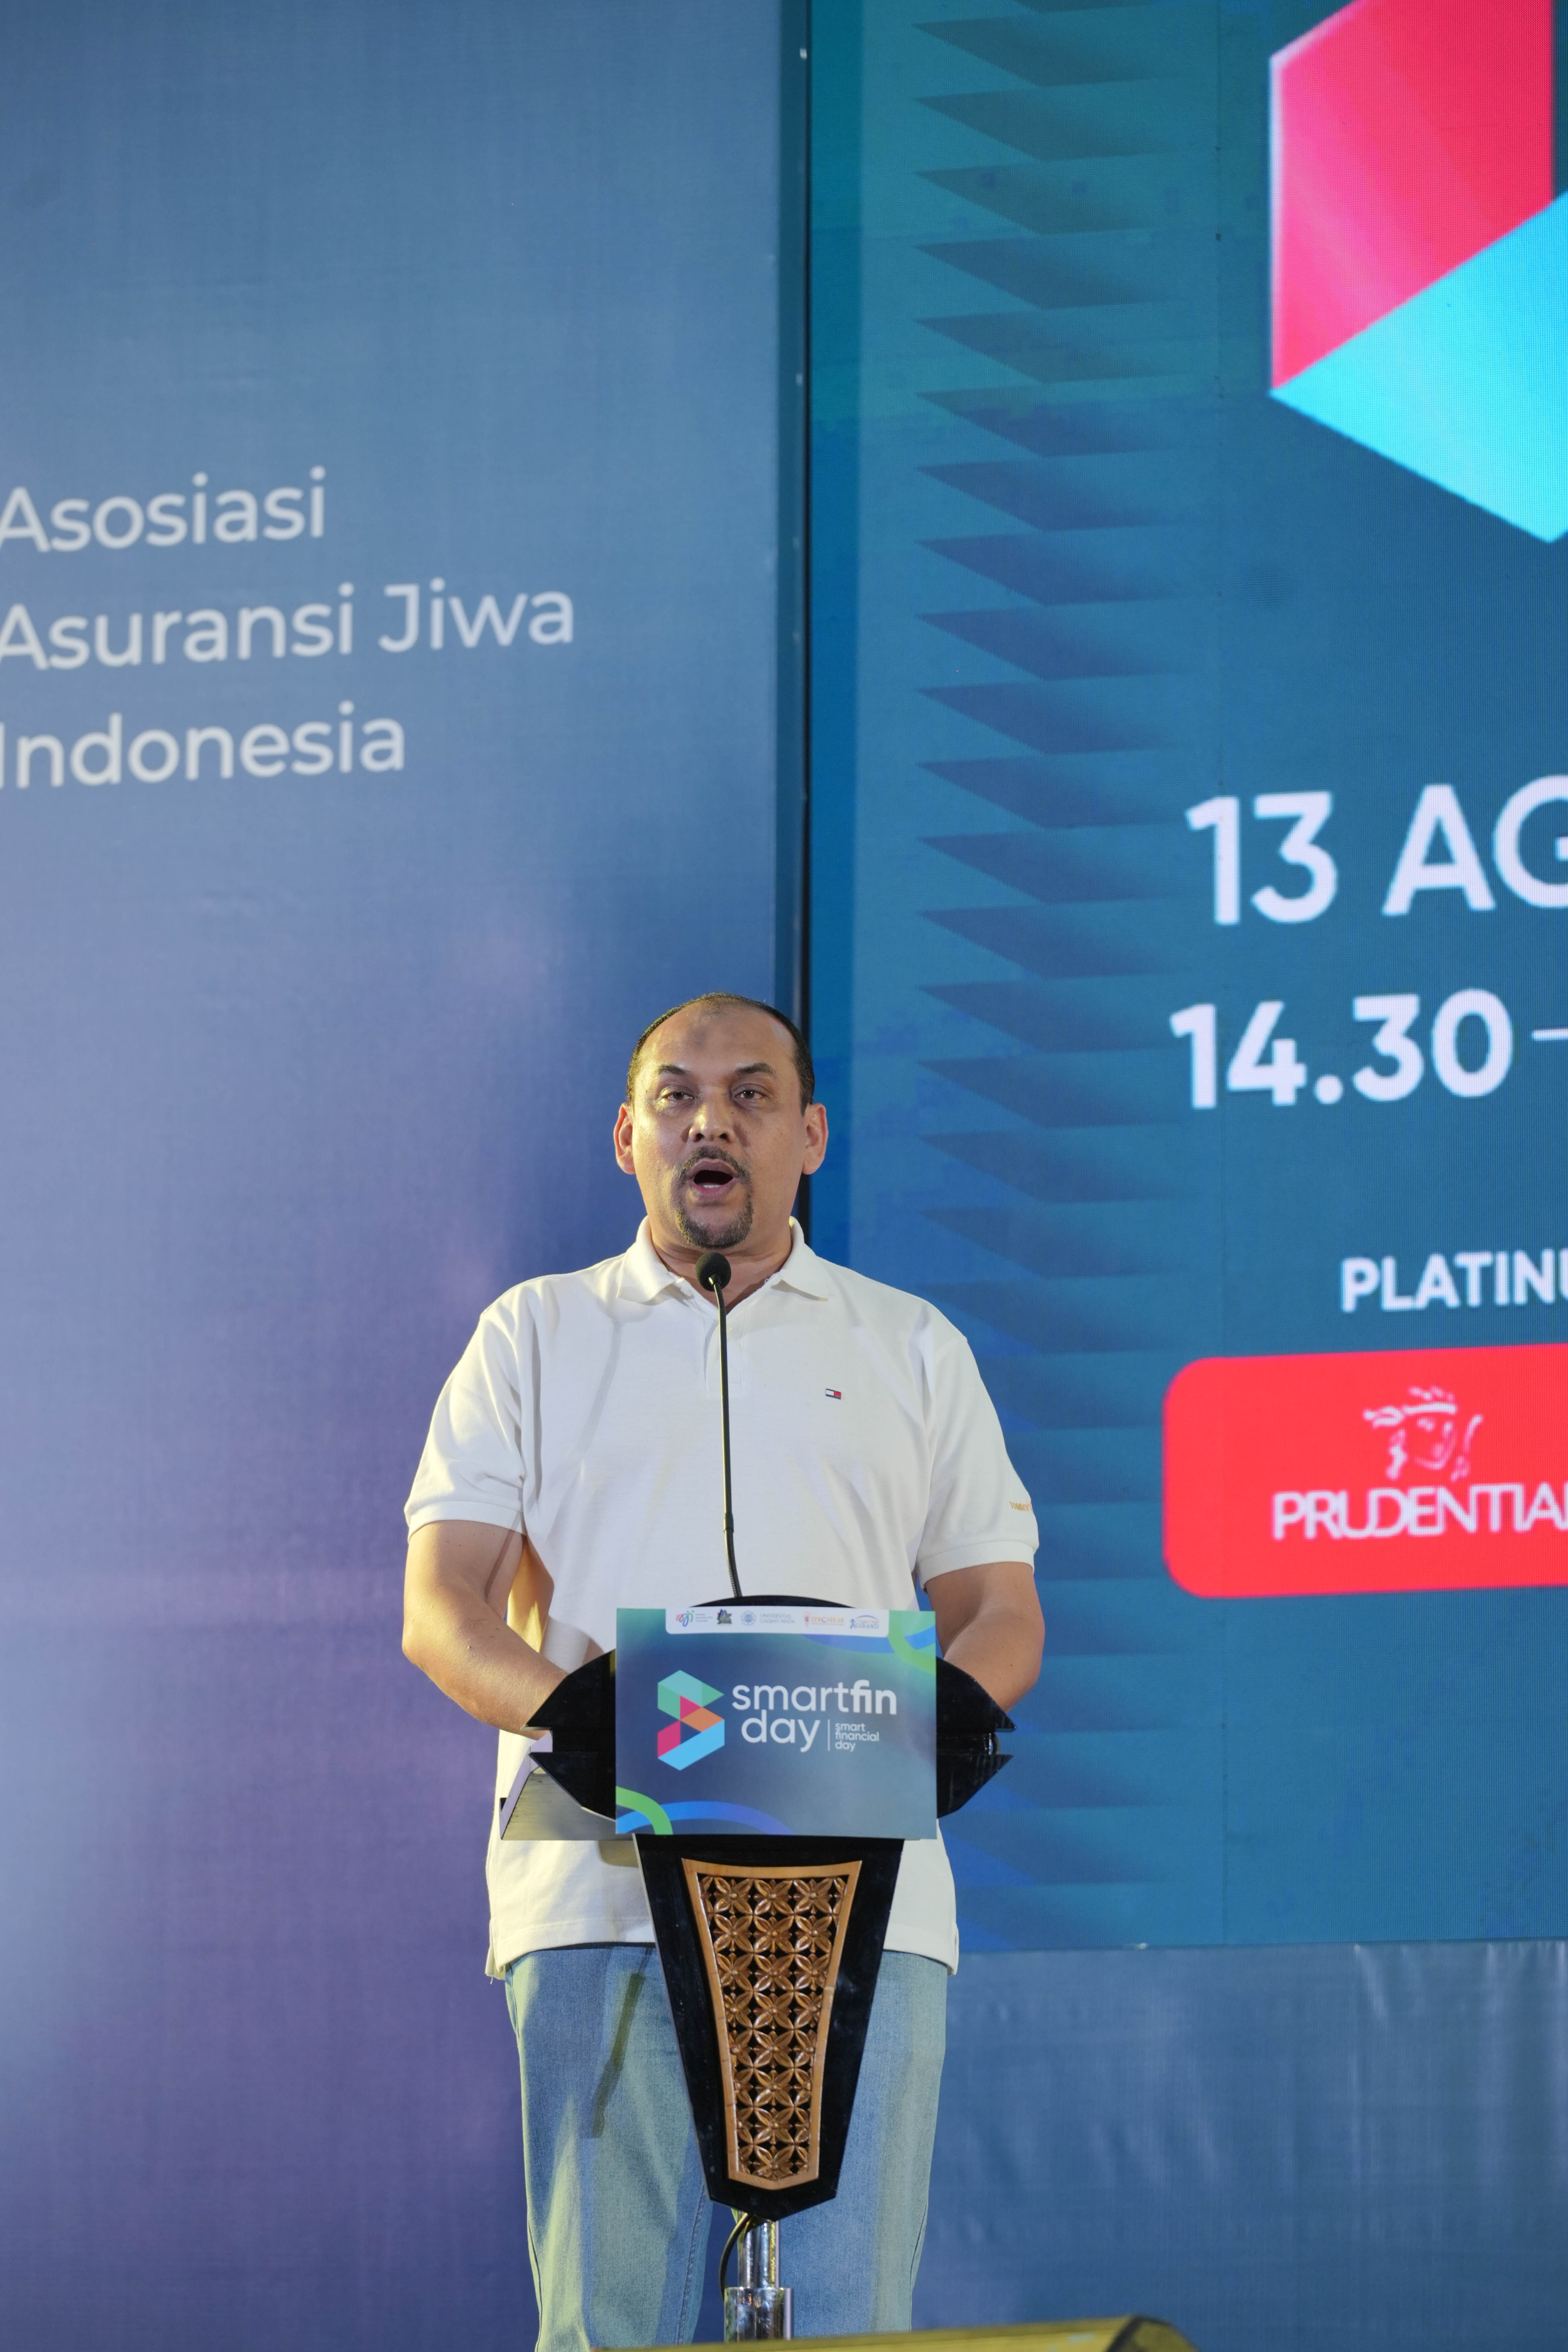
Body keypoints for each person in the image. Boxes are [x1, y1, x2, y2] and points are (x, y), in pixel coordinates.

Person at [402, 992, 1043, 2351]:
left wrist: (941, 1718)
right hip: (602, 1883)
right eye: (677, 1095)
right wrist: (579, 1718)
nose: (712, 1120)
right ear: (626, 1136)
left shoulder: (910, 1345)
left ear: (810, 1136)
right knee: (607, 2324)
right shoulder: (534, 1335)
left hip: (862, 1891)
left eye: (752, 1094)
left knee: (848, 2325)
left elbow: (1001, 1608)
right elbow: (441, 1608)